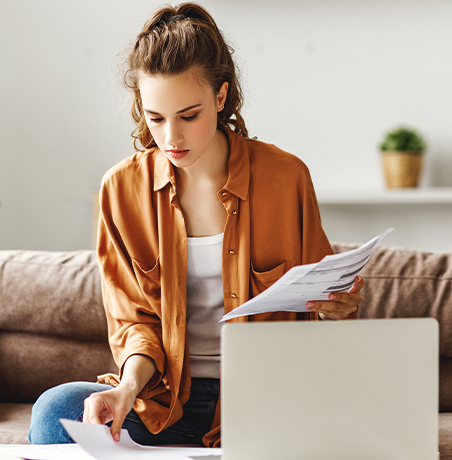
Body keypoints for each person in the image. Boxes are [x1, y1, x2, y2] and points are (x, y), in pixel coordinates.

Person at [26, 3, 365, 448]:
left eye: (189, 116)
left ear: (220, 98)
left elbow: (324, 303)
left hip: (267, 401)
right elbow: (135, 325)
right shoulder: (121, 190)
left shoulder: (286, 178)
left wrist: (338, 307)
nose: (171, 138)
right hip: (164, 403)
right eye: (156, 118)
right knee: (57, 410)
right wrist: (126, 388)